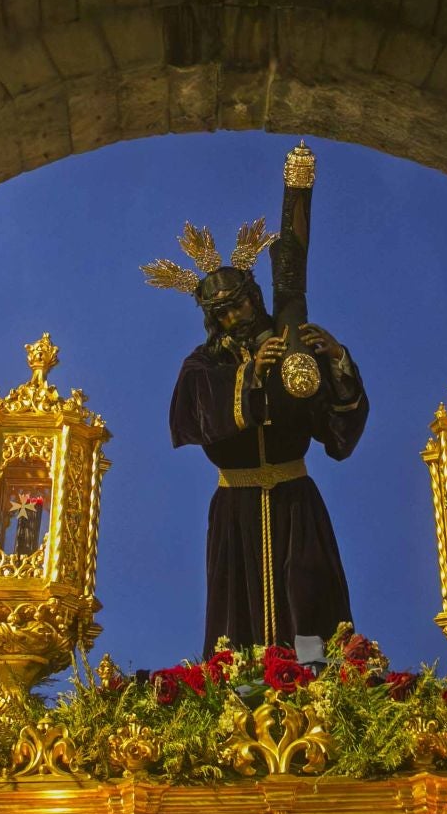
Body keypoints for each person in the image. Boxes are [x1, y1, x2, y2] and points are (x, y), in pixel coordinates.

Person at [144, 225, 368, 657]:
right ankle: (241, 687)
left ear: (256, 297)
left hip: (296, 502)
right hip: (237, 506)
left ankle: (316, 676)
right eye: (222, 313)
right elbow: (195, 407)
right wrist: (250, 375)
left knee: (310, 595)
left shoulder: (294, 351)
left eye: (239, 305)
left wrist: (336, 360)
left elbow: (337, 433)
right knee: (238, 613)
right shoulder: (204, 363)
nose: (234, 318)